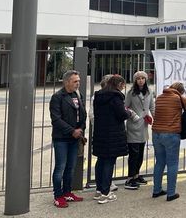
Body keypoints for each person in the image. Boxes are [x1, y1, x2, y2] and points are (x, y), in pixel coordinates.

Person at [93, 75, 136, 204]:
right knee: (109, 162)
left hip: (100, 132)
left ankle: (99, 190)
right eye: (123, 85)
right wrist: (129, 113)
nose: (123, 88)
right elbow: (121, 114)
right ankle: (106, 193)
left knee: (101, 160)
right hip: (112, 134)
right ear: (119, 84)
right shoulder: (115, 96)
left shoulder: (99, 95)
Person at [152, 81, 186, 201]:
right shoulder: (177, 98)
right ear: (180, 91)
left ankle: (156, 190)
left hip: (156, 134)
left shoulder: (159, 98)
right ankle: (171, 193)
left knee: (160, 162)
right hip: (170, 134)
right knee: (172, 163)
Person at [50, 70, 87, 208]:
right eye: (75, 81)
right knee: (60, 167)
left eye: (79, 81)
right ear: (66, 82)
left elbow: (82, 114)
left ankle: (67, 192)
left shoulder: (78, 95)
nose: (78, 84)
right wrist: (72, 131)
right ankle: (58, 196)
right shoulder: (57, 97)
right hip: (62, 138)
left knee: (70, 167)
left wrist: (81, 129)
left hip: (75, 138)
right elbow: (56, 119)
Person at [124, 71, 155, 189]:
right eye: (138, 78)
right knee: (134, 153)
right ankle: (130, 178)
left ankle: (136, 175)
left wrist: (154, 118)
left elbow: (152, 106)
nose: (141, 80)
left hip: (144, 126)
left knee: (141, 153)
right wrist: (134, 116)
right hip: (133, 125)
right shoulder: (131, 93)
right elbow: (125, 107)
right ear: (135, 80)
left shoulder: (149, 91)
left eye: (143, 78)